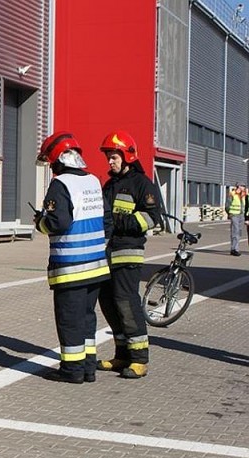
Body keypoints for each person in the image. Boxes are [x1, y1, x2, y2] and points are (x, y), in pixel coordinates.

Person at [34, 132, 110, 384]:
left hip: (71, 267)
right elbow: (106, 221)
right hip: (97, 265)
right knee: (87, 319)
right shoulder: (93, 181)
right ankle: (88, 368)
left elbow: (58, 222)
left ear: (57, 159)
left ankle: (72, 370)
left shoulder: (60, 184)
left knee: (69, 321)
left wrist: (40, 222)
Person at [97, 130, 162, 379]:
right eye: (109, 157)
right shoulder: (110, 184)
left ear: (127, 156)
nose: (110, 162)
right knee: (108, 302)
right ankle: (122, 354)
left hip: (128, 252)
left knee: (126, 302)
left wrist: (118, 222)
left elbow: (151, 218)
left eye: (113, 157)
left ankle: (139, 359)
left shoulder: (143, 185)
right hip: (107, 253)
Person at [225, 183, 246, 256]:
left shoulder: (244, 195)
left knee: (239, 232)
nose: (243, 187)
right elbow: (227, 205)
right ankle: (234, 249)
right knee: (235, 231)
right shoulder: (232, 194)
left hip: (241, 215)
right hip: (234, 215)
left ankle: (235, 248)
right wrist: (230, 214)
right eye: (242, 186)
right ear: (238, 186)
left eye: (244, 186)